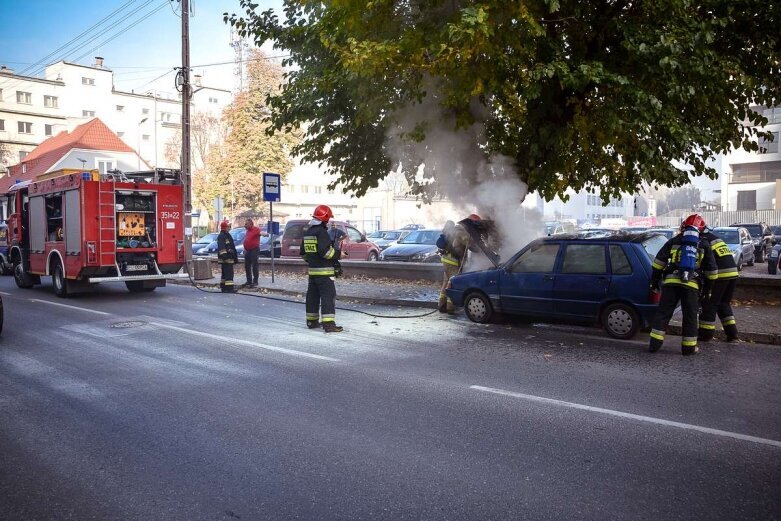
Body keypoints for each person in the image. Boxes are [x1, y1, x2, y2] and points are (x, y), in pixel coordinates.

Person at [648, 214, 718, 355]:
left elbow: (657, 264)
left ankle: (654, 345)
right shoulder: (703, 244)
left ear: (683, 226)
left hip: (670, 284)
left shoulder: (673, 241)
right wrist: (707, 289)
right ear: (701, 230)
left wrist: (654, 282)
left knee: (663, 314)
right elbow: (712, 272)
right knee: (690, 316)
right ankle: (688, 348)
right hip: (691, 286)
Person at [300, 204, 343, 332]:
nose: (329, 221)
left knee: (312, 297)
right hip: (325, 273)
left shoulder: (308, 232)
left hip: (312, 272)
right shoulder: (322, 233)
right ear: (325, 218)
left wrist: (313, 261)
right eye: (328, 218)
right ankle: (329, 325)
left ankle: (311, 321)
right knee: (328, 297)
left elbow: (303, 253)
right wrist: (339, 254)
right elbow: (326, 253)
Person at [698, 227, 740, 341]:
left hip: (720, 275)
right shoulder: (716, 238)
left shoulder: (702, 241)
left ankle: (705, 334)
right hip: (733, 273)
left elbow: (703, 262)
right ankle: (732, 334)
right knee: (723, 303)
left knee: (710, 303)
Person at [437, 214, 480, 313]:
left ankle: (441, 305)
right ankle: (450, 307)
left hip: (446, 260)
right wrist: (482, 250)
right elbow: (471, 246)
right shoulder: (462, 233)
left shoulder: (455, 230)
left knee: (446, 283)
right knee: (453, 284)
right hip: (453, 262)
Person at [217, 220, 238, 293]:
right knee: (229, 275)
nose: (229, 228)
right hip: (226, 259)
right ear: (225, 227)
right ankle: (229, 288)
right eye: (228, 227)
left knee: (225, 274)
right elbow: (222, 248)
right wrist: (225, 257)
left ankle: (224, 288)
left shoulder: (226, 235)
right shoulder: (222, 236)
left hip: (228, 258)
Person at [242, 218, 262, 288]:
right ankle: (249, 280)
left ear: (251, 224)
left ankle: (255, 281)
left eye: (246, 224)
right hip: (248, 250)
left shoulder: (256, 229)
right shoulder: (247, 231)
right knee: (247, 265)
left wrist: (265, 234)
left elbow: (260, 233)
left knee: (254, 265)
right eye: (245, 224)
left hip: (254, 249)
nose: (245, 225)